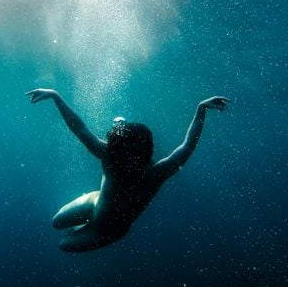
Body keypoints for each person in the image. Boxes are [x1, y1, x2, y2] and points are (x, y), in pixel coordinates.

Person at [25, 88, 230, 252]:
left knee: (65, 245)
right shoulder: (113, 156)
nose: (127, 162)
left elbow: (187, 147)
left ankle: (119, 125)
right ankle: (119, 126)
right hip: (96, 203)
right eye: (123, 153)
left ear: (142, 153)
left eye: (131, 156)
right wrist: (55, 96)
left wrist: (201, 109)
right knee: (56, 222)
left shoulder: (153, 173)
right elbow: (79, 129)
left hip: (109, 230)